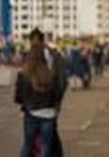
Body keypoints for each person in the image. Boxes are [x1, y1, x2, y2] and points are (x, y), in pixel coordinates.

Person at [16, 28, 67, 157]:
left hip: (33, 108)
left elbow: (20, 91)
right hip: (49, 108)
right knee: (46, 144)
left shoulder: (32, 58)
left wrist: (25, 103)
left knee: (30, 143)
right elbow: (60, 81)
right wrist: (57, 101)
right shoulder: (52, 57)